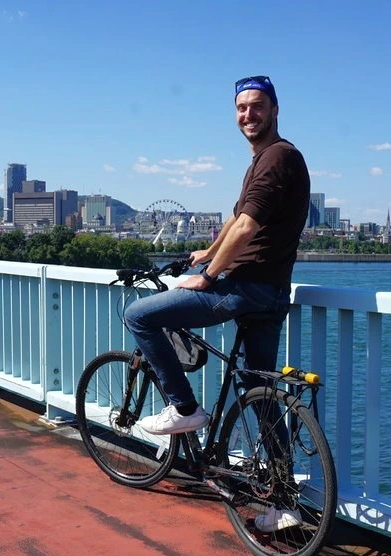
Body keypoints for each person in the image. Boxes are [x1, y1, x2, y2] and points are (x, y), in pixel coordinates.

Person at [124, 75, 310, 440]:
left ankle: (185, 408)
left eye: (257, 106)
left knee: (139, 316)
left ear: (275, 110)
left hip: (247, 287)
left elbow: (246, 228)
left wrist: (208, 275)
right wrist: (209, 251)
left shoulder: (276, 157)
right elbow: (237, 218)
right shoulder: (266, 159)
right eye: (241, 108)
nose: (248, 115)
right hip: (273, 292)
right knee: (257, 388)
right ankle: (280, 472)